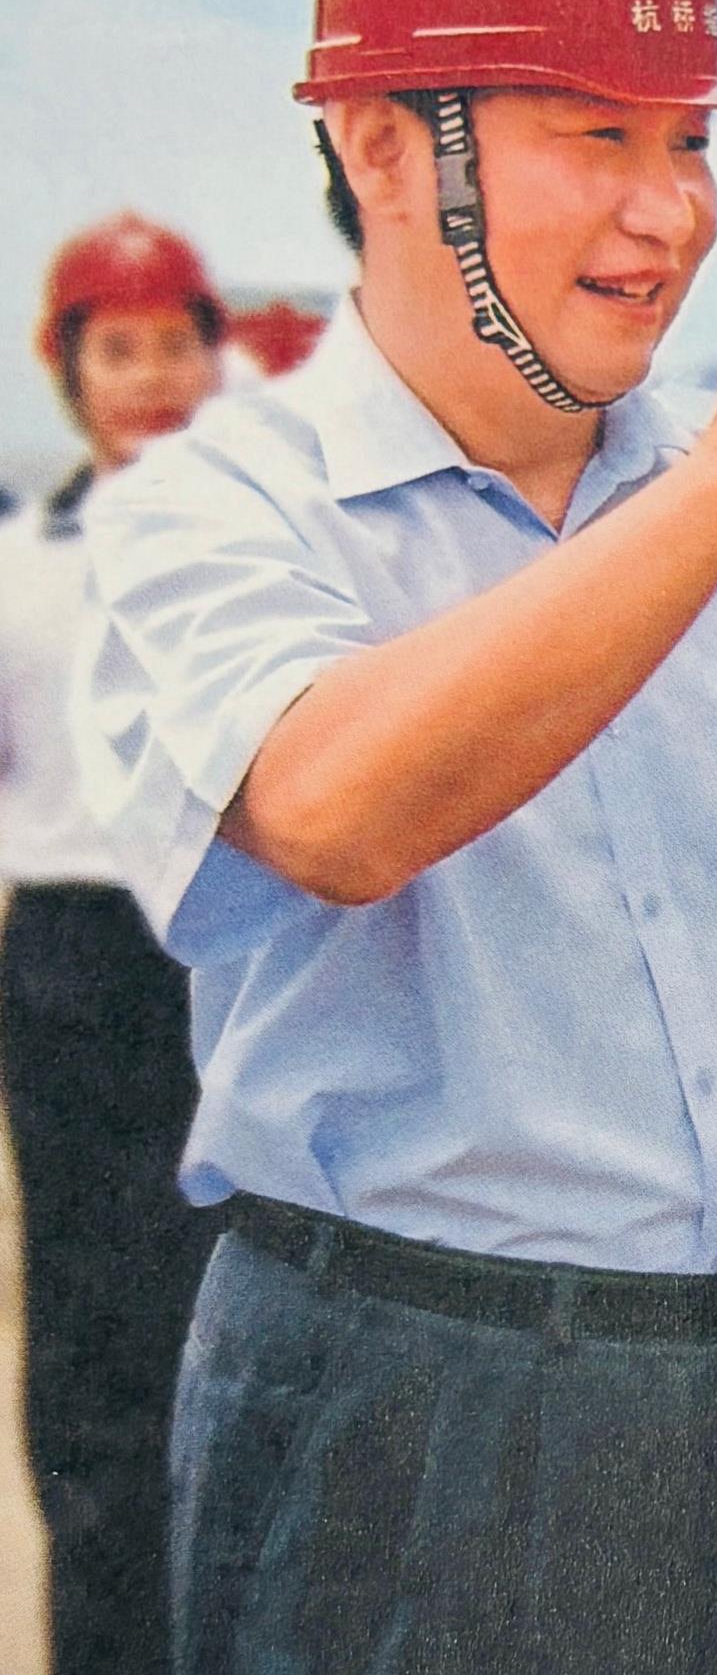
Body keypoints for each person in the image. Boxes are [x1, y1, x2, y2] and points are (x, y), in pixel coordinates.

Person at [71, 0, 717, 1674]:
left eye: (688, 140)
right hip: (427, 1423)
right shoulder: (222, 509)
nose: (671, 212)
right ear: (381, 145)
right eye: (595, 134)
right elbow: (333, 805)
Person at [2, 213, 228, 1674]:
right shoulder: (19, 561)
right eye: (119, 349)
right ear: (67, 367)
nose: (151, 378)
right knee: (96, 1353)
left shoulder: (271, 547)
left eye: (174, 346)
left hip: (240, 952)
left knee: (249, 1328)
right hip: (77, 968)